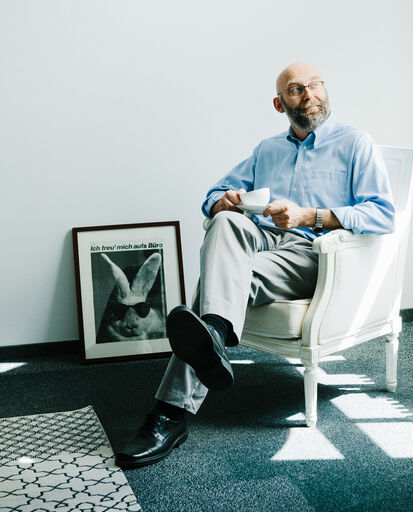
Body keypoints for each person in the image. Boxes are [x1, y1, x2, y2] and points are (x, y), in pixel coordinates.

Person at [115, 61, 395, 469]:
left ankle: (169, 415)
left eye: (315, 85)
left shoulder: (355, 143)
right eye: (297, 90)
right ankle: (213, 333)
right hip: (264, 240)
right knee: (226, 220)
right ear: (280, 104)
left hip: (312, 254)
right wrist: (223, 200)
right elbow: (213, 193)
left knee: (211, 290)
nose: (310, 94)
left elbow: (383, 213)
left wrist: (310, 216)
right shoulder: (268, 150)